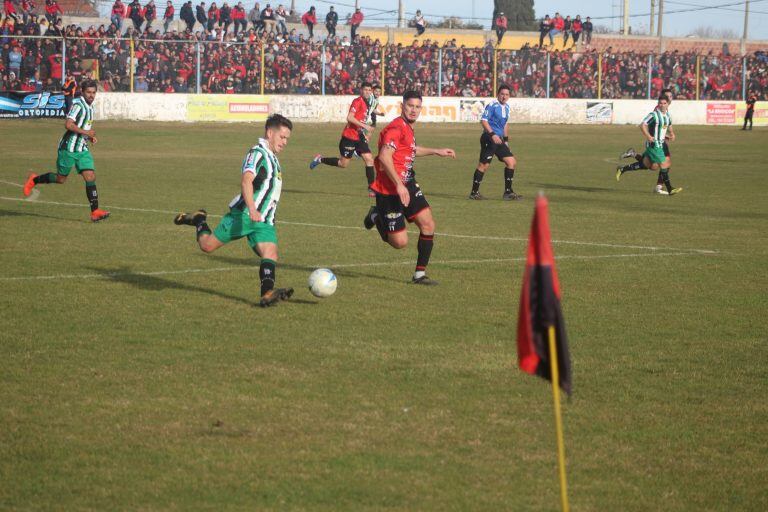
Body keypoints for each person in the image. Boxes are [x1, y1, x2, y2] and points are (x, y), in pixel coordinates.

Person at [173, 114, 295, 307]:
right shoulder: (257, 153)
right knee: (207, 246)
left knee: (270, 253)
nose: (285, 142)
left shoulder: (273, 158)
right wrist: (253, 209)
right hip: (245, 215)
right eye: (282, 137)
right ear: (270, 133)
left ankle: (267, 293)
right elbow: (246, 180)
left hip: (264, 221)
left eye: (287, 138)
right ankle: (199, 220)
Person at [362, 90, 456, 285]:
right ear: (402, 106)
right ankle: (376, 215)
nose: (413, 110)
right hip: (390, 190)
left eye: (417, 107)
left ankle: (419, 275)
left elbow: (410, 150)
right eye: (410, 106)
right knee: (400, 243)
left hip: (408, 183)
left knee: (428, 224)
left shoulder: (407, 127)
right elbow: (386, 156)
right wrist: (398, 185)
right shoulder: (395, 128)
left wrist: (436, 151)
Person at [23, 80, 110, 222]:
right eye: (88, 92)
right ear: (82, 92)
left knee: (90, 176)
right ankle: (34, 179)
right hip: (68, 148)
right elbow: (68, 124)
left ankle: (95, 211)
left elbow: (83, 128)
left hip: (82, 148)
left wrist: (89, 137)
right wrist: (86, 133)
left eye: (94, 92)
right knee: (61, 179)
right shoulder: (78, 105)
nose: (91, 95)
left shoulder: (90, 108)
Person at [309, 81, 377, 195]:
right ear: (361, 90)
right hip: (349, 137)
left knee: (369, 159)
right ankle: (320, 159)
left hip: (359, 136)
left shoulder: (368, 102)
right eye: (365, 90)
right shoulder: (357, 101)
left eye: (369, 90)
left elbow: (361, 118)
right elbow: (349, 117)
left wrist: (362, 131)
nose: (367, 92)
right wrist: (365, 126)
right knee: (343, 164)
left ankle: (372, 188)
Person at [616, 95, 682, 195]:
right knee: (664, 165)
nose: (662, 105)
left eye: (664, 103)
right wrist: (648, 136)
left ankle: (623, 168)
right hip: (654, 145)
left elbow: (668, 126)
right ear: (658, 104)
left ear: (668, 104)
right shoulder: (654, 115)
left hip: (660, 144)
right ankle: (670, 189)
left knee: (648, 165)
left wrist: (671, 134)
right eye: (660, 103)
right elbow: (643, 125)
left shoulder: (667, 116)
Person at [469, 84, 521, 201]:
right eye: (502, 94)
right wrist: (492, 134)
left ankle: (508, 192)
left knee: (511, 161)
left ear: (509, 96)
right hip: (489, 138)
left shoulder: (507, 107)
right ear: (498, 94)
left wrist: (506, 141)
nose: (504, 96)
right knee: (484, 165)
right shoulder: (492, 105)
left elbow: (505, 125)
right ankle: (474, 192)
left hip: (499, 140)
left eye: (507, 94)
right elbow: (483, 120)